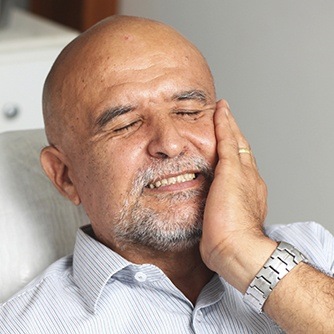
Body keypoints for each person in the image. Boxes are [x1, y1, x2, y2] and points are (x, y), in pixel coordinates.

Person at [1, 15, 333, 334]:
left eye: (189, 112)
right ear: (64, 176)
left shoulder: (315, 253)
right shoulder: (23, 327)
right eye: (126, 124)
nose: (171, 143)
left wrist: (244, 251)